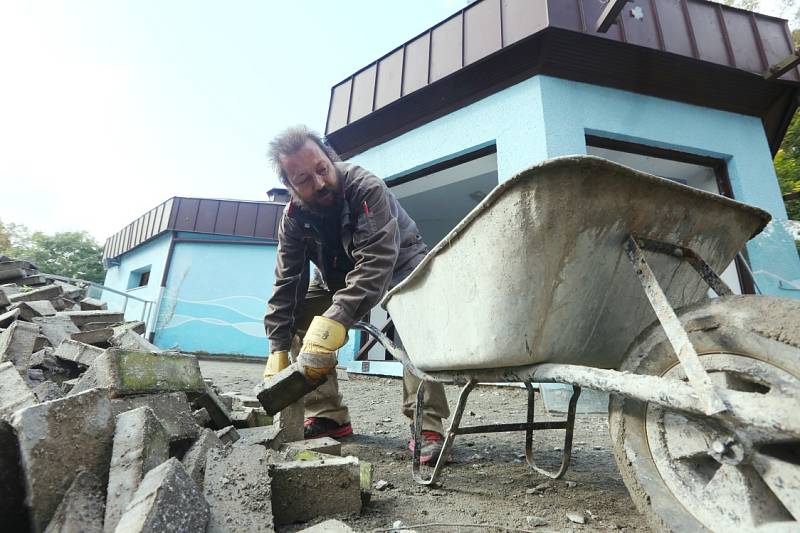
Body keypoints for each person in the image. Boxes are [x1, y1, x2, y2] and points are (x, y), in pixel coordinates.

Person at [262, 125, 451, 464]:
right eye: (304, 179)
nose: (319, 183)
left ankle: (428, 425)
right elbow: (286, 284)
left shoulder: (366, 188)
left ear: (331, 159)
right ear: (290, 187)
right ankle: (328, 417)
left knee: (416, 318)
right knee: (299, 312)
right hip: (337, 277)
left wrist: (333, 322)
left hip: (400, 263)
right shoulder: (293, 220)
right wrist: (277, 347)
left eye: (322, 169)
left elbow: (376, 264)